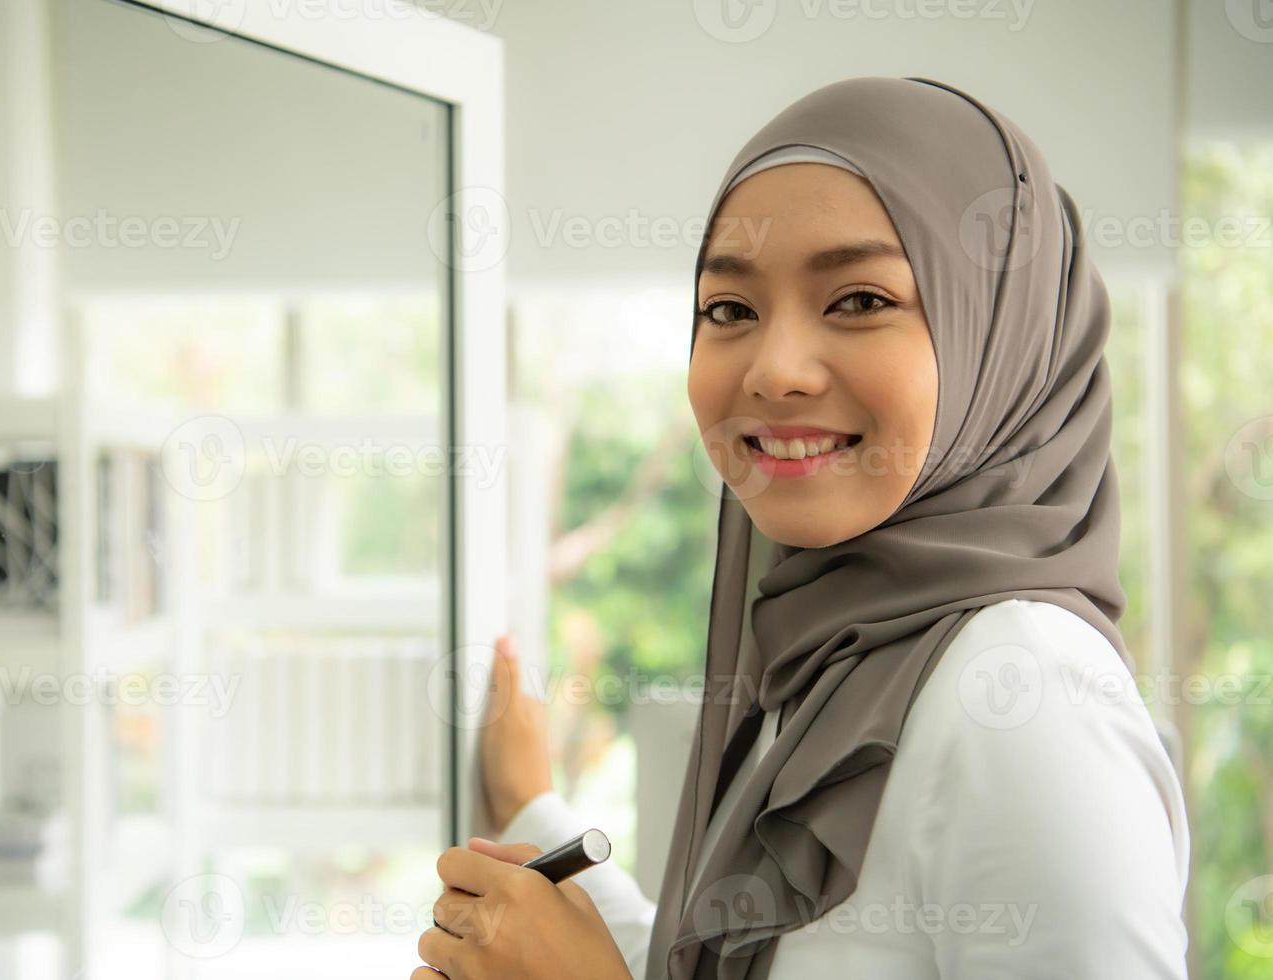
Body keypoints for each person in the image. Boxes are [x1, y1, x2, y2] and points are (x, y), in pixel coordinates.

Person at [413, 75, 1190, 980]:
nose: (775, 370)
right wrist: (534, 814)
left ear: (1001, 341)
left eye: (860, 300)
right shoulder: (837, 661)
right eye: (730, 310)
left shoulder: (1024, 700)